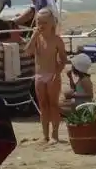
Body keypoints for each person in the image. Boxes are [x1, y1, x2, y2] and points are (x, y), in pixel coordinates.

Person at [24, 8, 68, 143]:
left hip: (52, 74)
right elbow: (27, 52)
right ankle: (45, 135)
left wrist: (57, 72)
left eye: (44, 23)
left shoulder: (56, 40)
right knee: (42, 105)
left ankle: (54, 134)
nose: (40, 26)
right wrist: (33, 37)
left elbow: (63, 59)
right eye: (38, 22)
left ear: (51, 24)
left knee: (53, 105)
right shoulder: (37, 39)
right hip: (39, 75)